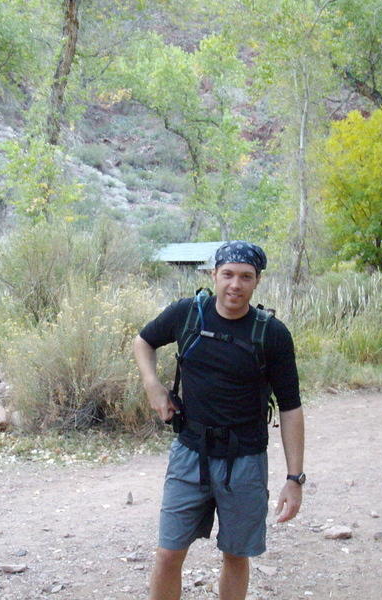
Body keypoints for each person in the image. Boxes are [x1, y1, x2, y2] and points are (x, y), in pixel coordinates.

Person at [133, 240, 305, 600]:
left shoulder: (271, 334)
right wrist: (153, 386)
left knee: (236, 555)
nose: (235, 285)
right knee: (167, 554)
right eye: (227, 274)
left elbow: (291, 408)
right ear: (213, 275)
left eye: (245, 277)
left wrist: (294, 479)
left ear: (257, 281)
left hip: (245, 460)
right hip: (190, 454)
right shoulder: (187, 314)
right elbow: (143, 341)